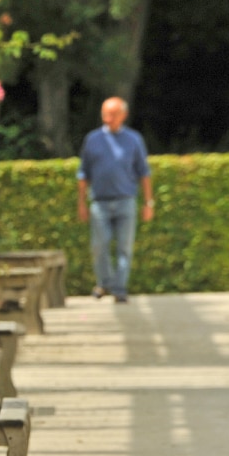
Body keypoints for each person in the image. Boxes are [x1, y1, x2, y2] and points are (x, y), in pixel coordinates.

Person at [77, 96, 154, 303]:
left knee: (125, 248)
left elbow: (144, 173)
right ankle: (104, 283)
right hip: (100, 203)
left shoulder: (134, 139)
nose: (107, 118)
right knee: (99, 246)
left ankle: (119, 289)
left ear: (123, 115)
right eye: (105, 114)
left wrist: (148, 203)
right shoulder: (92, 139)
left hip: (126, 201)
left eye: (112, 114)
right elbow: (83, 173)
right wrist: (82, 203)